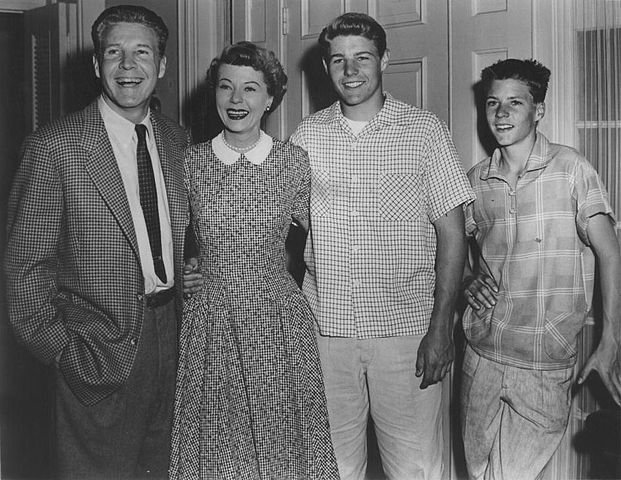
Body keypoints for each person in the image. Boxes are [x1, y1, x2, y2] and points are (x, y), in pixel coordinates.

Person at [4, 5, 200, 479]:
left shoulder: (178, 140)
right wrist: (65, 352)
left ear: (163, 66)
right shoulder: (55, 146)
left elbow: (175, 233)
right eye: (114, 52)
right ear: (97, 66)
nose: (128, 65)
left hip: (174, 338)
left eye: (142, 52)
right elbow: (24, 271)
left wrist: (184, 269)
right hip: (96, 348)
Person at [289, 12, 475, 480]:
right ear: (326, 68)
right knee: (333, 470)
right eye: (339, 60)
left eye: (362, 58)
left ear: (384, 60)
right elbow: (278, 231)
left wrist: (441, 328)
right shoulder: (306, 137)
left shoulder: (424, 131)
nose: (350, 71)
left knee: (416, 470)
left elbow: (453, 236)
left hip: (406, 334)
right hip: (324, 332)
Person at [169, 41, 339, 480]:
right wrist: (186, 270)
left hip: (276, 319)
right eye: (226, 87)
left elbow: (332, 236)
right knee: (216, 447)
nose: (236, 100)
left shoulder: (293, 162)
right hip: (211, 321)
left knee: (280, 449)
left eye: (250, 89)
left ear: (270, 98)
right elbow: (167, 241)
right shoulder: (190, 163)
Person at [461, 58, 621, 479]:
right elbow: (453, 252)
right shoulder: (476, 180)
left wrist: (610, 341)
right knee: (478, 473)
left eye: (515, 102)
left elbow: (611, 253)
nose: (501, 113)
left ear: (539, 110)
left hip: (544, 364)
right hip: (481, 357)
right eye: (493, 102)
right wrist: (466, 282)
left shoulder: (572, 170)